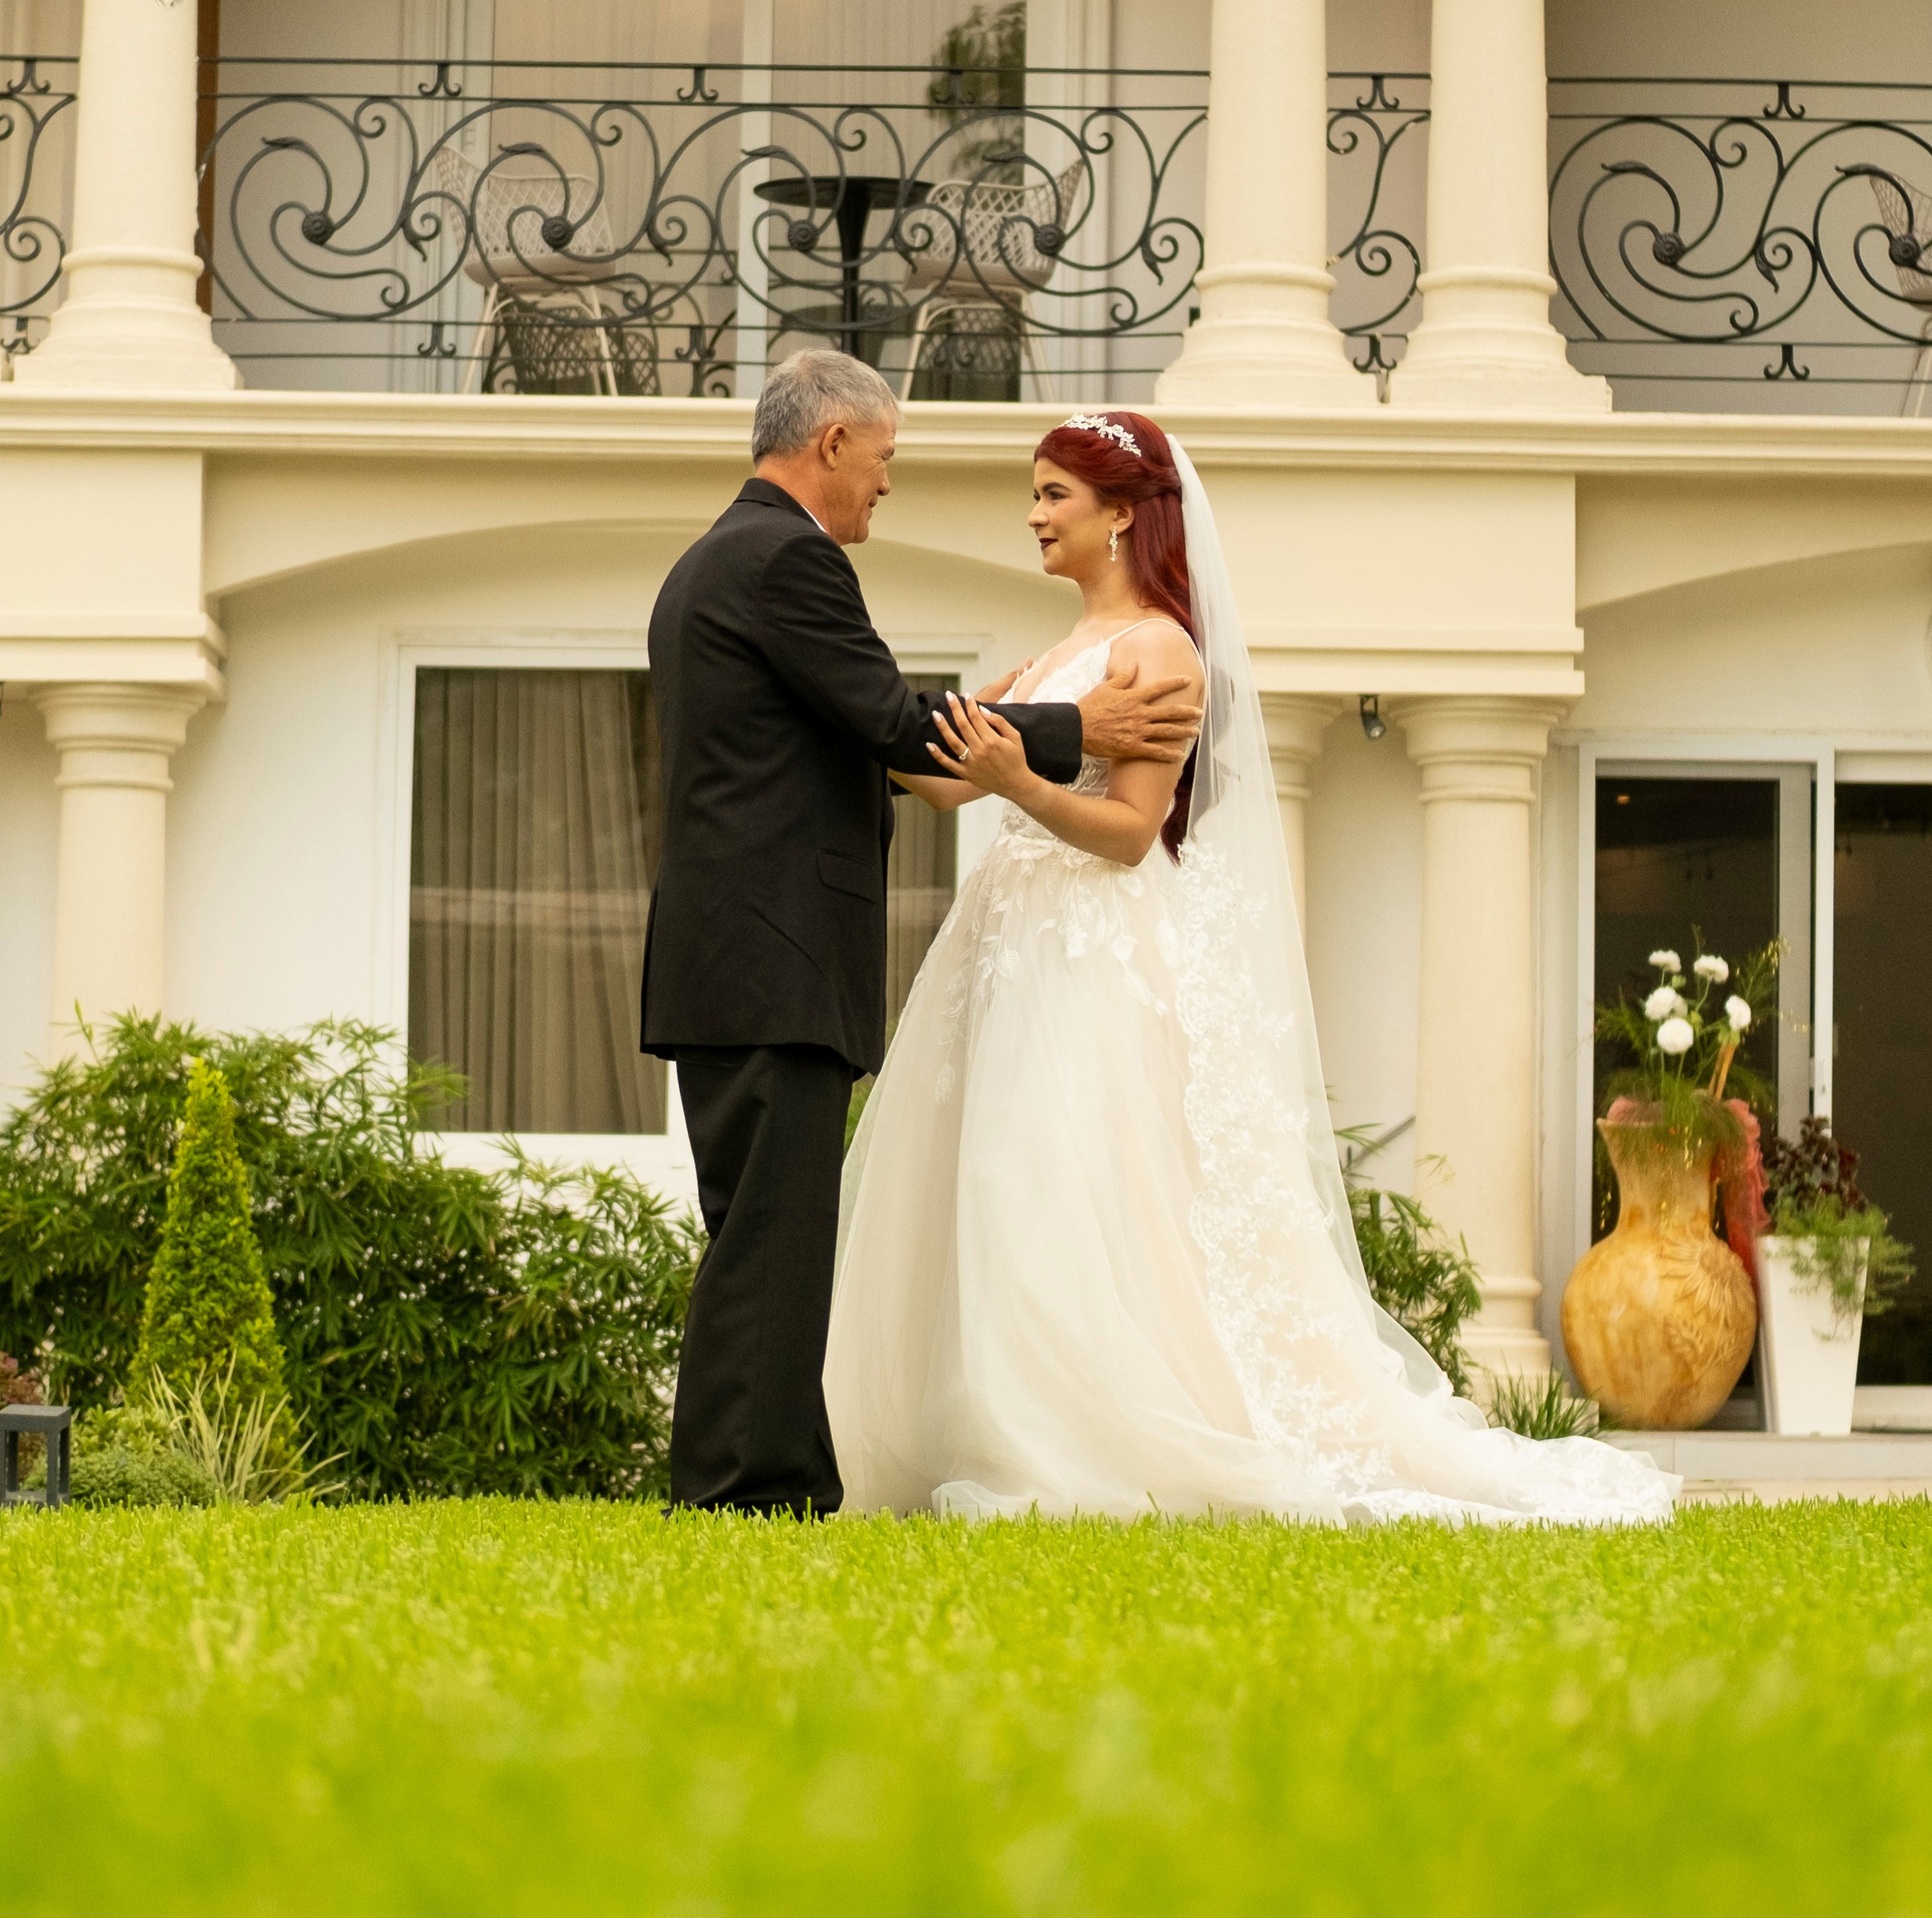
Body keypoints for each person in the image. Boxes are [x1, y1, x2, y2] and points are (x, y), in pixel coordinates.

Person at [825, 410, 1675, 1529]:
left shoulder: (1161, 651)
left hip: (1091, 953)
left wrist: (1021, 784)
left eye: (1053, 495)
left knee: (1056, 1177)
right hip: (1007, 949)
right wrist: (862, 719)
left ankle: (1072, 1438)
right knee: (988, 1179)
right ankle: (980, 1422)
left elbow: (1131, 829)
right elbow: (946, 777)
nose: (1032, 514)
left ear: (1121, 511)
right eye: (1033, 494)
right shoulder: (1047, 655)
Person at [643, 350, 1206, 1519]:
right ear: (833, 443)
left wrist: (1019, 731)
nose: (886, 486)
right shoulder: (787, 558)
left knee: (764, 1232)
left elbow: (884, 746)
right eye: (885, 459)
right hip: (774, 955)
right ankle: (741, 1486)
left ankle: (778, 1473)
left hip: (727, 957)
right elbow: (896, 723)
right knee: (770, 1233)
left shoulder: (714, 560)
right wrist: (1076, 722)